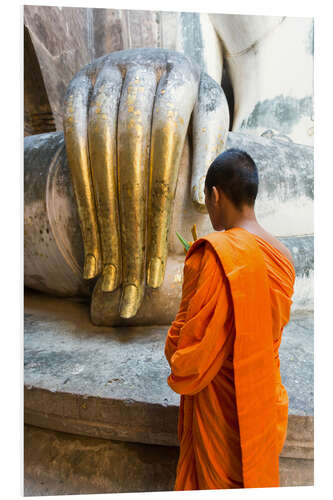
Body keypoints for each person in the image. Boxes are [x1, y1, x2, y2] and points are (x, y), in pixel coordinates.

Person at [164, 148, 295, 490]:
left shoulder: (213, 255)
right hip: (263, 401)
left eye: (207, 201)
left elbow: (185, 350)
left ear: (215, 195)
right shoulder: (283, 257)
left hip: (220, 412)